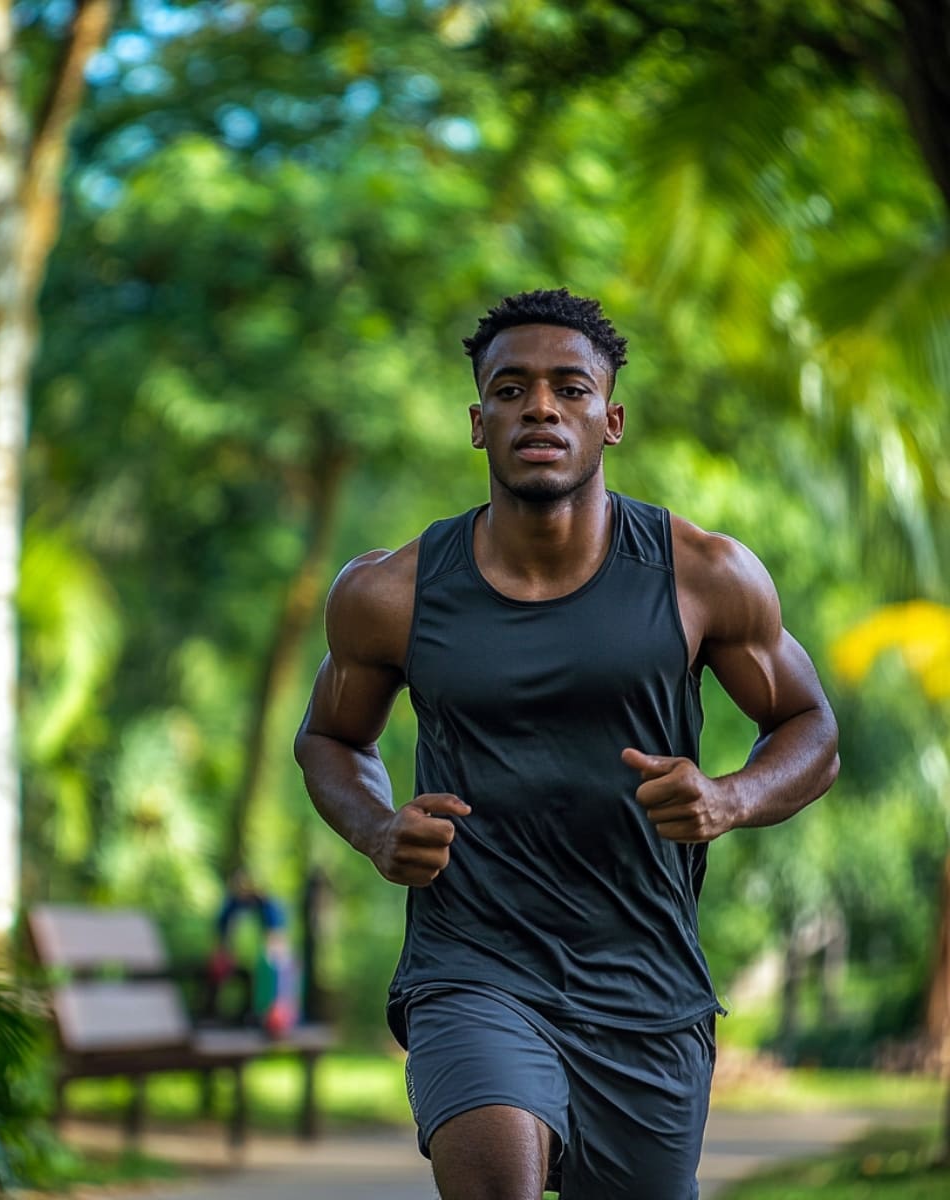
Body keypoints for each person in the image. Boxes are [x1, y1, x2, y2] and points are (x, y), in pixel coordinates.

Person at [293, 288, 839, 1200]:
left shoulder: (701, 573)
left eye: (568, 389)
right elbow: (329, 739)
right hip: (473, 965)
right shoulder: (390, 592)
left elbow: (812, 728)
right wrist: (377, 831)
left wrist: (729, 797)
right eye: (510, 390)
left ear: (609, 417)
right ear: (479, 422)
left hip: (647, 987)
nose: (540, 406)